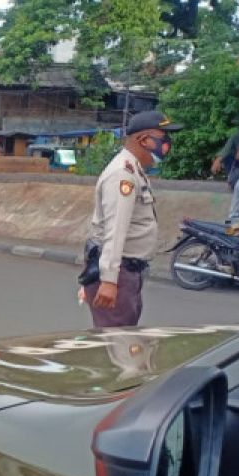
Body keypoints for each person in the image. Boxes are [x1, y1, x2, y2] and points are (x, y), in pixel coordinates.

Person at [81, 110, 180, 328]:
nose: (167, 144)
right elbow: (115, 231)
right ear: (144, 140)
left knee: (123, 339)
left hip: (127, 271)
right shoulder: (122, 175)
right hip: (120, 273)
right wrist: (108, 280)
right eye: (163, 137)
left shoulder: (134, 170)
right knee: (117, 344)